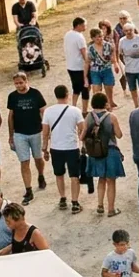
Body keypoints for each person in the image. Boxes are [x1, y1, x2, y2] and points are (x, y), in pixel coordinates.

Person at [38, 84, 82, 213]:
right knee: (74, 176)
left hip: (56, 147)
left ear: (56, 95)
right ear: (67, 95)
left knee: (59, 174)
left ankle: (63, 198)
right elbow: (82, 128)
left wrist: (44, 148)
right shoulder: (75, 111)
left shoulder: (48, 111)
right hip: (72, 147)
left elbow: (45, 132)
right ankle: (75, 202)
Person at [81, 92, 126, 216]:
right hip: (110, 150)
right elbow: (119, 135)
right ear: (106, 103)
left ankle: (100, 205)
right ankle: (111, 209)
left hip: (95, 152)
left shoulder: (89, 117)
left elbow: (82, 136)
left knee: (101, 179)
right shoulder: (111, 117)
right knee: (111, 180)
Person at [7, 71, 47, 205]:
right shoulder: (12, 97)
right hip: (20, 133)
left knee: (38, 158)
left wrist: (46, 129)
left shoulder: (35, 94)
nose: (18, 86)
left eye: (20, 83)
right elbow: (10, 116)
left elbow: (43, 111)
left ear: (26, 81)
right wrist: (11, 134)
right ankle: (28, 189)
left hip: (35, 131)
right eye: (16, 84)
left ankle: (41, 175)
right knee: (24, 162)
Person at [87, 26, 119, 113]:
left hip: (107, 69)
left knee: (109, 87)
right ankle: (98, 107)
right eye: (97, 37)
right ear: (93, 38)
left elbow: (113, 57)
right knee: (96, 89)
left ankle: (109, 104)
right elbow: (87, 62)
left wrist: (116, 65)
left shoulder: (109, 45)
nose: (99, 39)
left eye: (100, 36)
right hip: (95, 71)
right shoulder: (90, 48)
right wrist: (85, 77)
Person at [64, 17, 91, 113]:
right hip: (80, 67)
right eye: (84, 25)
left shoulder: (68, 34)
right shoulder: (79, 37)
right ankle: (84, 110)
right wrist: (89, 63)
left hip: (70, 66)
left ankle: (74, 106)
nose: (85, 27)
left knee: (75, 88)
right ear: (79, 25)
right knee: (85, 88)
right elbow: (84, 52)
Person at [120, 23, 139, 95]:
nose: (128, 32)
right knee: (132, 89)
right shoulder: (122, 41)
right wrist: (125, 63)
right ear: (123, 31)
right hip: (129, 70)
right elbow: (120, 54)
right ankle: (136, 105)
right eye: (126, 31)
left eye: (130, 30)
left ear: (134, 30)